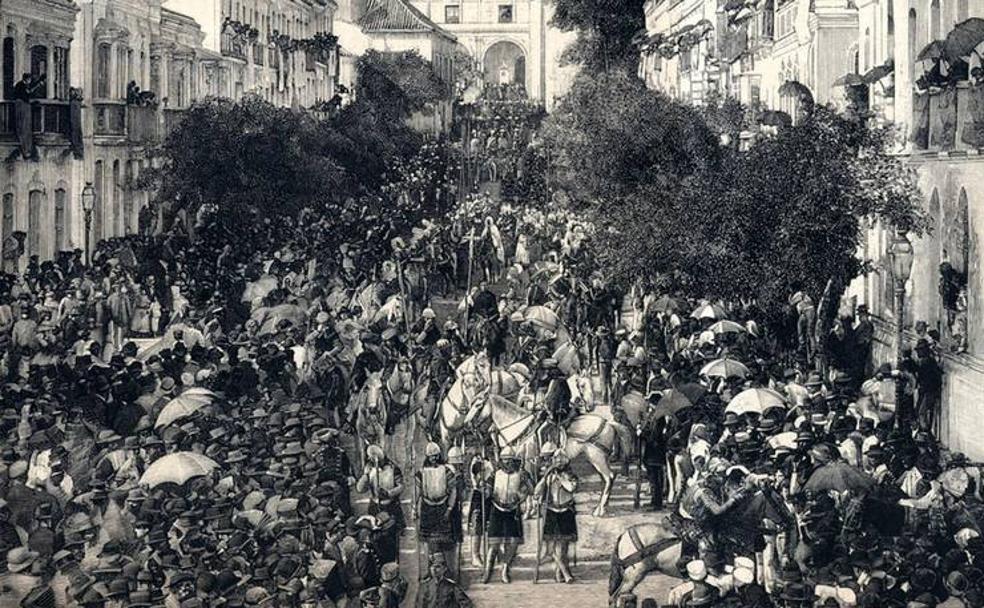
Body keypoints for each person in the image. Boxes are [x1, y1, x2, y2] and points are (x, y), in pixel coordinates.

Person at [482, 446, 533, 584]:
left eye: (510, 460)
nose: (508, 463)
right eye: (505, 461)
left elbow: (530, 490)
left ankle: (505, 568)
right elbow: (487, 490)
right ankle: (487, 571)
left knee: (512, 543)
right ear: (501, 461)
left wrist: (521, 495)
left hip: (513, 510)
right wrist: (485, 489)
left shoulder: (520, 474)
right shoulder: (495, 474)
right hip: (497, 509)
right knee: (494, 544)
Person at [533, 450, 578, 583]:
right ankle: (565, 573)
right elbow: (537, 492)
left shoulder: (571, 476)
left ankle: (559, 574)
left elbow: (571, 488)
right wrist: (545, 477)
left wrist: (560, 478)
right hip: (552, 512)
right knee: (553, 547)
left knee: (563, 547)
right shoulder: (549, 476)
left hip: (566, 511)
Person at [356, 444, 405, 564]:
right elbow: (360, 489)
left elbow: (401, 486)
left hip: (391, 507)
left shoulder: (393, 468)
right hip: (375, 507)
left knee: (392, 538)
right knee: (377, 537)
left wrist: (389, 493)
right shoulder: (369, 469)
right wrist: (366, 477)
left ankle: (394, 563)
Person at [416, 442, 459, 571]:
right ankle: (430, 569)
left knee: (445, 541)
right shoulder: (421, 472)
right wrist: (415, 508)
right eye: (431, 456)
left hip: (442, 507)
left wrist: (449, 508)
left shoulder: (445, 470)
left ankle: (447, 570)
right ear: (427, 457)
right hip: (427, 508)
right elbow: (417, 492)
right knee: (429, 542)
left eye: (435, 456)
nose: (433, 458)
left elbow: (453, 491)